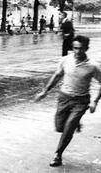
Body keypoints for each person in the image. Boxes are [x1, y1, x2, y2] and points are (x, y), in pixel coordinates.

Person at [35, 35, 101, 167]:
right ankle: (75, 123)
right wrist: (45, 91)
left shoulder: (93, 66)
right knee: (59, 127)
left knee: (68, 128)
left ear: (87, 48)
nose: (77, 52)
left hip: (81, 101)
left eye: (81, 49)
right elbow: (57, 75)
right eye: (75, 48)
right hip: (64, 98)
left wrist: (95, 101)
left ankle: (58, 155)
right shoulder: (65, 60)